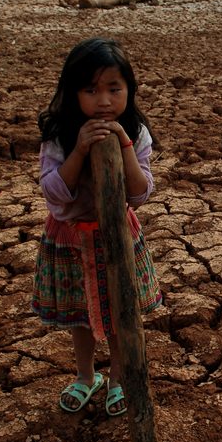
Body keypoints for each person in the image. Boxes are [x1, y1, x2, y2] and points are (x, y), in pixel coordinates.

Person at [31, 37, 162, 417]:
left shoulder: (135, 132)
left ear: (129, 90)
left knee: (122, 311)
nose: (103, 101)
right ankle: (87, 377)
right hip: (70, 237)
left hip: (117, 237)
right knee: (80, 315)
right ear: (73, 93)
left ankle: (119, 377)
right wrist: (80, 151)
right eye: (91, 90)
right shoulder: (59, 134)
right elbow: (54, 194)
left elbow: (139, 193)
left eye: (113, 89)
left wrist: (122, 147)